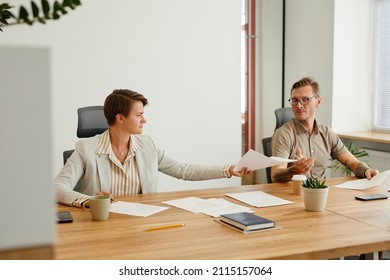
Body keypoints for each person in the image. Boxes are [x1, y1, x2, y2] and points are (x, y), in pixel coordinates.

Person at [55, 89, 250, 207]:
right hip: (102, 226)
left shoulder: (147, 145)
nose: (144, 120)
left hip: (143, 223)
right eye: (139, 115)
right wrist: (89, 201)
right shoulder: (85, 149)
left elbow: (184, 170)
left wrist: (228, 170)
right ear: (120, 118)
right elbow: (57, 188)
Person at [271, 76, 379, 183]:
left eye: (305, 100)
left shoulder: (327, 133)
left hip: (321, 193)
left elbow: (352, 163)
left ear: (318, 101)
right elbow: (275, 176)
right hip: (294, 194)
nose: (299, 106)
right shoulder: (283, 134)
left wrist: (366, 170)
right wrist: (294, 170)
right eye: (295, 100)